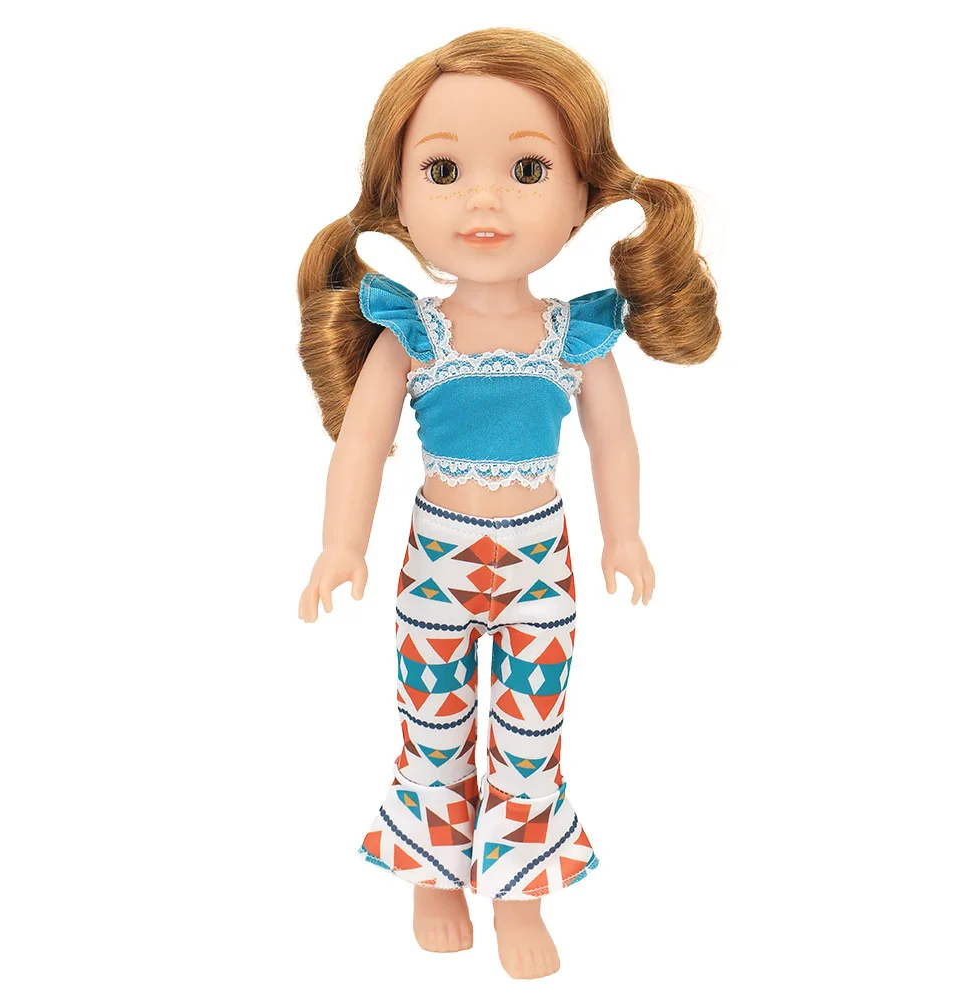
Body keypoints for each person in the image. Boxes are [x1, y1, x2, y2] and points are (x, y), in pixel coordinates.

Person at [296, 27, 720, 980]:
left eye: (528, 170)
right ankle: (432, 874)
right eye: (444, 171)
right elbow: (362, 443)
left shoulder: (577, 335)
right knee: (431, 724)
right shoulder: (410, 331)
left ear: (582, 195)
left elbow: (615, 442)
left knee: (533, 734)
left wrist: (625, 535)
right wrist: (340, 545)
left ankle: (520, 892)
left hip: (540, 565)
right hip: (435, 565)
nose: (483, 200)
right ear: (397, 194)